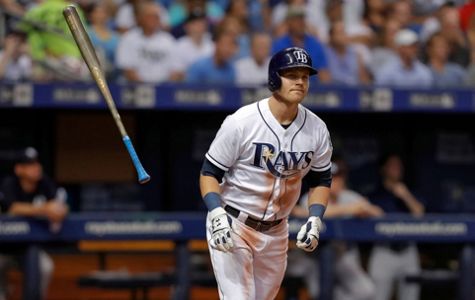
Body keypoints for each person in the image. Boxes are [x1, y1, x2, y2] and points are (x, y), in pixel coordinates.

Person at [199, 46, 333, 299]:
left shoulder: (317, 129)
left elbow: (321, 179)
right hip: (234, 223)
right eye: (292, 75)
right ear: (274, 79)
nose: (300, 82)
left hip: (277, 231)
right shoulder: (241, 122)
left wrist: (315, 218)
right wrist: (215, 211)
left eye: (304, 77)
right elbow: (209, 173)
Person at [287, 157, 382, 300]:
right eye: (332, 178)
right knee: (319, 294)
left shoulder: (348, 196)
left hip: (341, 255)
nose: (336, 182)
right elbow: (302, 211)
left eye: (339, 177)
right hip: (314, 258)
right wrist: (349, 209)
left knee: (366, 291)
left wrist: (364, 209)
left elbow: (378, 213)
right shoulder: (312, 195)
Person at [0, 147, 68, 300]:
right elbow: (13, 207)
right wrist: (44, 208)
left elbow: (60, 204)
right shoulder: (9, 183)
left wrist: (60, 211)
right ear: (19, 169)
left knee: (45, 267)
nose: (36, 168)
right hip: (3, 249)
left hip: (27, 250)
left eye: (36, 163)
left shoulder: (44, 182)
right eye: (29, 165)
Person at [368, 153, 425, 300]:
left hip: (408, 251)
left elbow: (420, 214)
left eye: (399, 166)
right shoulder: (375, 196)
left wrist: (406, 195)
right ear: (383, 169)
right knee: (378, 296)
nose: (397, 169)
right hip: (384, 250)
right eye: (393, 165)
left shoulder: (410, 192)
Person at [115, 1, 179, 83]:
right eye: (150, 17)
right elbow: (127, 70)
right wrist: (147, 87)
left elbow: (176, 71)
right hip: (135, 88)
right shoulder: (128, 38)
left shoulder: (168, 40)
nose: (153, 20)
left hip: (164, 89)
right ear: (140, 18)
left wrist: (162, 88)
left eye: (156, 17)